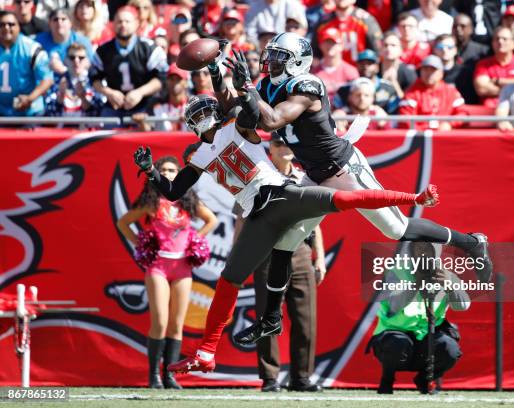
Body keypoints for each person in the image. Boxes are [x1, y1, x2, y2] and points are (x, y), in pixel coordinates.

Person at [134, 92, 441, 375]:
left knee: (346, 198)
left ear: (215, 111)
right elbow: (173, 192)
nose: (202, 118)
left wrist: (237, 82)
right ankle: (207, 352)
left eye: (204, 111)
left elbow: (251, 109)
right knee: (229, 279)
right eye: (196, 114)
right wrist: (152, 172)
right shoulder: (200, 154)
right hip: (258, 215)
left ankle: (412, 199)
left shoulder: (236, 127)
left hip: (282, 195)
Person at [229, 34, 492, 344]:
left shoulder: (308, 86)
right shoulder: (267, 87)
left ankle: (471, 242)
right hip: (314, 176)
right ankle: (271, 320)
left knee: (397, 229)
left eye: (278, 56)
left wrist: (247, 89)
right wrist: (225, 82)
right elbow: (245, 120)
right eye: (271, 55)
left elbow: (272, 121)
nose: (270, 61)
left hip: (343, 169)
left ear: (297, 62)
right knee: (284, 245)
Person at [116, 156, 217, 389]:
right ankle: (154, 376)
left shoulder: (188, 200)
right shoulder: (151, 201)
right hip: (158, 267)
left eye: (173, 170)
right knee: (160, 321)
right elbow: (123, 223)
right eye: (164, 170)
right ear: (157, 174)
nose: (169, 173)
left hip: (183, 267)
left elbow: (210, 220)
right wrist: (140, 244)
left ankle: (170, 375)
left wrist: (195, 240)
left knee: (176, 324)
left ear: (180, 173)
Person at [236, 134, 326, 393]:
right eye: (279, 143)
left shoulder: (305, 178)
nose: (284, 147)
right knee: (267, 318)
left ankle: (301, 378)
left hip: (299, 252)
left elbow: (315, 222)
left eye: (288, 144)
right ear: (270, 149)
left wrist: (318, 257)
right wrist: (238, 257)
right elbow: (242, 222)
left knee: (305, 319)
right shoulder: (256, 177)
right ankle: (270, 378)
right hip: (265, 253)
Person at [368, 242, 468, 394]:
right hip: (394, 336)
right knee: (397, 343)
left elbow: (463, 306)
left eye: (428, 248)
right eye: (418, 248)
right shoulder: (396, 272)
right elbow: (394, 305)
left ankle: (424, 380)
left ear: (436, 251)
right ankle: (387, 380)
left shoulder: (446, 275)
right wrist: (416, 284)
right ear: (411, 250)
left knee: (450, 350)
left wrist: (450, 287)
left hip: (428, 336)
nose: (422, 252)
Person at [90, 6, 167, 121]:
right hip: (114, 106)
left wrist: (140, 93)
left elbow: (160, 79)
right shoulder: (103, 50)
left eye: (127, 21)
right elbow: (94, 78)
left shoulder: (149, 49)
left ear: (136, 23)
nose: (123, 25)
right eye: (120, 21)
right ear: (113, 24)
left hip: (144, 106)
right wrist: (109, 93)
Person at [0, 10, 53, 117]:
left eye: (11, 24)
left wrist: (30, 99)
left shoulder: (32, 48)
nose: (6, 28)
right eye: (1, 24)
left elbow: (47, 79)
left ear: (19, 27)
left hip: (29, 113)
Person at [399, 55, 467, 130]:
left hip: (445, 136)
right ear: (420, 72)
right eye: (425, 69)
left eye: (433, 70)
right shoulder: (412, 92)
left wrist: (449, 124)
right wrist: (424, 129)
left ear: (441, 73)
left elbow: (462, 114)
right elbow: (405, 117)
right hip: (420, 137)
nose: (428, 73)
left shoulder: (451, 92)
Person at [44, 42, 104, 119]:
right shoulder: (57, 80)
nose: (76, 61)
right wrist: (60, 96)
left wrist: (83, 98)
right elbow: (49, 115)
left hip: (87, 129)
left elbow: (98, 114)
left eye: (81, 58)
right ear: (65, 60)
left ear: (87, 61)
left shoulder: (95, 81)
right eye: (72, 57)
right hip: (62, 129)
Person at [312, 0, 382, 65]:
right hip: (332, 73)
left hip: (359, 72)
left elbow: (378, 51)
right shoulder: (323, 22)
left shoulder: (365, 20)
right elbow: (315, 54)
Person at [334, 49, 401, 113]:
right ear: (356, 66)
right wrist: (341, 112)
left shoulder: (388, 88)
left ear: (377, 67)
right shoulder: (345, 89)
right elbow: (334, 110)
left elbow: (395, 114)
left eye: (369, 63)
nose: (365, 66)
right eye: (362, 63)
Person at [35, 8, 94, 75]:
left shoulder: (83, 42)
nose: (59, 22)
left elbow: (91, 67)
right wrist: (48, 65)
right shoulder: (38, 41)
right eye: (55, 19)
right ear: (49, 23)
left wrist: (65, 71)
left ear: (70, 23)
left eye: (63, 19)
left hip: (74, 82)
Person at [132, 63, 190, 131]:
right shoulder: (155, 104)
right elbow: (148, 130)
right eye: (171, 79)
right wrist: (142, 122)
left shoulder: (194, 104)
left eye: (178, 79)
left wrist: (193, 121)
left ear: (186, 83)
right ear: (166, 81)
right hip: (164, 141)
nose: (174, 82)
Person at [473, 26, 514, 108]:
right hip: (490, 111)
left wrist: (498, 81)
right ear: (492, 43)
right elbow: (482, 89)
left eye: (504, 39)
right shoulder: (483, 64)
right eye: (497, 39)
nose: (500, 41)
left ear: (513, 44)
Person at [312, 27, 359, 105]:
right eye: (326, 42)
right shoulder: (313, 72)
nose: (330, 46)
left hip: (344, 114)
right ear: (320, 45)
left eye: (333, 43)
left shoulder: (351, 71)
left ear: (341, 46)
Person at [432, 34, 480, 105]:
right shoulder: (428, 72)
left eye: (449, 47)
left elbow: (470, 100)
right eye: (440, 47)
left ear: (455, 50)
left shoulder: (464, 73)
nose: (445, 50)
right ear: (434, 50)